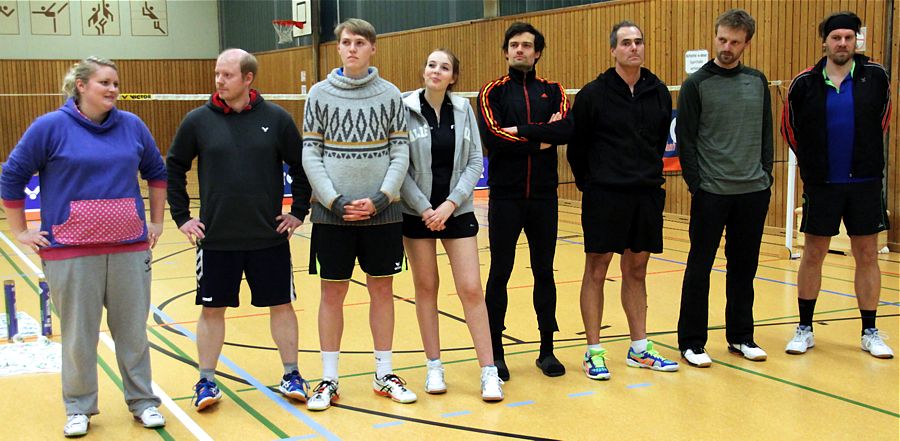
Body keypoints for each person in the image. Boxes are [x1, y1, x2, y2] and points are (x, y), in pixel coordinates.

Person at [1, 56, 167, 437]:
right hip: (70, 252)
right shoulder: (50, 127)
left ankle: (143, 402)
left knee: (133, 333)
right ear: (81, 86)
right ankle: (78, 407)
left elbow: (156, 173)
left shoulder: (132, 126)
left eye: (115, 83)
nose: (112, 89)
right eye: (104, 82)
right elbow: (12, 175)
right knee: (79, 336)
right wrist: (20, 231)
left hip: (129, 249)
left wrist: (155, 222)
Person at [166, 48, 313, 411]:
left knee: (281, 305)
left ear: (248, 79)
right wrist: (183, 217)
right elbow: (174, 166)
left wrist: (298, 212)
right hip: (216, 239)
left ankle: (292, 373)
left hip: (268, 237)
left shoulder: (276, 119)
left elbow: (301, 165)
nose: (219, 80)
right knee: (211, 311)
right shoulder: (197, 121)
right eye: (217, 74)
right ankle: (206, 381)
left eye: (227, 75)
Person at [302, 18, 413, 411]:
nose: (352, 48)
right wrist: (333, 200)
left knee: (382, 290)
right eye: (346, 42)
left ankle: (384, 374)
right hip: (332, 216)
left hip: (383, 215)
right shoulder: (318, 94)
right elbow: (310, 152)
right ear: (338, 48)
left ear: (373, 49)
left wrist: (383, 198)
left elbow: (400, 151)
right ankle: (328, 380)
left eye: (360, 42)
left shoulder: (391, 95)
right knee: (332, 293)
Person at [566, 21, 678, 380]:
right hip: (604, 194)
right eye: (626, 43)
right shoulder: (593, 94)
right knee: (596, 269)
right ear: (613, 50)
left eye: (639, 42)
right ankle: (593, 350)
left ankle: (639, 347)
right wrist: (593, 184)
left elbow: (660, 139)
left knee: (637, 269)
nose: (634, 48)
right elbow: (577, 149)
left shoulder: (658, 91)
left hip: (645, 193)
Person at [781, 11, 893, 359]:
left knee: (867, 254)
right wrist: (815, 166)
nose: (842, 43)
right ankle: (804, 328)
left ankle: (870, 331)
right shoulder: (804, 83)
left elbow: (883, 120)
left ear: (856, 40)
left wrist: (865, 158)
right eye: (836, 37)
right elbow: (790, 129)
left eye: (848, 37)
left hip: (864, 183)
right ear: (825, 42)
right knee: (814, 253)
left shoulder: (875, 77)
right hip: (822, 184)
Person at [400, 48, 503, 401]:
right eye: (431, 64)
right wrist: (425, 207)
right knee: (426, 288)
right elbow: (398, 165)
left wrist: (449, 204)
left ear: (453, 76)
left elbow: (476, 161)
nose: (436, 71)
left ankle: (489, 372)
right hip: (417, 214)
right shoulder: (404, 108)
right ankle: (434, 367)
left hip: (455, 212)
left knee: (471, 289)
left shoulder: (464, 110)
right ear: (424, 70)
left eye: (444, 67)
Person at [676, 9, 774, 367]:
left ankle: (741, 337)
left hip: (753, 191)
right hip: (712, 193)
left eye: (734, 41)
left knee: (744, 267)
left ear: (746, 43)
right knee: (699, 266)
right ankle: (691, 342)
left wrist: (765, 176)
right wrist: (698, 185)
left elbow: (766, 134)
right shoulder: (696, 84)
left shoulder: (757, 81)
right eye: (722, 39)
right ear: (714, 36)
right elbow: (685, 142)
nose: (727, 47)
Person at [477, 22, 571, 381]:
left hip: (544, 198)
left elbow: (565, 131)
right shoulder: (492, 92)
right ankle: (495, 354)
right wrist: (540, 138)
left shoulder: (554, 90)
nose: (520, 50)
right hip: (505, 198)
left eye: (527, 45)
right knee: (500, 273)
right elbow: (494, 138)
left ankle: (547, 349)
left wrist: (524, 131)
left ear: (537, 53)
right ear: (505, 52)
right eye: (514, 45)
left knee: (544, 272)